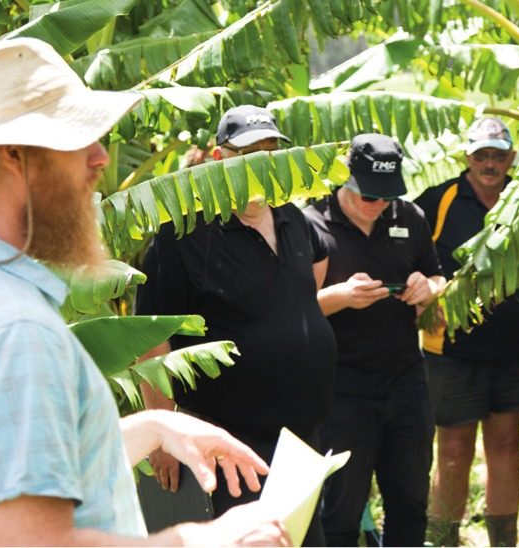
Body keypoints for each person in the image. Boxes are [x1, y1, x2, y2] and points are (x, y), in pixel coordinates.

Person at [0, 38, 289, 547]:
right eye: (79, 138)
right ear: (14, 156)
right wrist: (201, 540)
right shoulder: (13, 334)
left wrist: (150, 428)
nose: (100, 158)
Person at [136, 105, 337, 544]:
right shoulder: (184, 236)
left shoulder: (294, 220)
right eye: (245, 156)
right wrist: (161, 435)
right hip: (230, 446)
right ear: (218, 159)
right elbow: (153, 339)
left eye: (268, 156)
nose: (258, 168)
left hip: (301, 440)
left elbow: (303, 298)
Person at [304, 133, 445, 546]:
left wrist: (429, 287)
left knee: (410, 501)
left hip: (405, 381)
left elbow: (436, 274)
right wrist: (340, 297)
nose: (379, 204)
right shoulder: (312, 224)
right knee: (341, 509)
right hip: (342, 388)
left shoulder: (409, 216)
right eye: (370, 196)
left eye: (386, 196)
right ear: (346, 179)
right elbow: (295, 309)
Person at [414, 117, 519, 546]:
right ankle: (443, 539)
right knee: (453, 450)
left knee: (506, 445)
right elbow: (407, 251)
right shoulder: (441, 199)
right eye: (481, 155)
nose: (489, 163)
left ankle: (504, 540)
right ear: (468, 157)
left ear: (510, 158)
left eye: (497, 155)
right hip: (452, 350)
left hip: (512, 347)